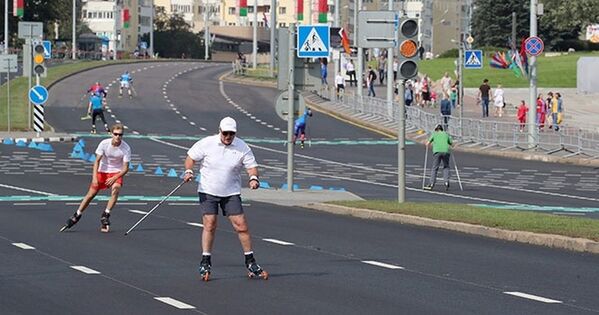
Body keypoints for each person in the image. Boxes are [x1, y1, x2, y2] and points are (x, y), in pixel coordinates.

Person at [183, 117, 267, 281]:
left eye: (232, 133)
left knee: (241, 226)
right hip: (208, 191)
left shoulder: (242, 147)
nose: (228, 136)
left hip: (231, 192)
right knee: (210, 224)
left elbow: (252, 167)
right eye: (226, 133)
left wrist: (253, 178)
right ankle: (205, 261)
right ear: (220, 130)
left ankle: (251, 262)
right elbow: (190, 157)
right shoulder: (207, 143)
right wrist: (188, 171)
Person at [61, 124, 131, 233]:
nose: (118, 137)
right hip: (102, 170)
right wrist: (94, 177)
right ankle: (77, 215)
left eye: (120, 135)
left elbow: (126, 168)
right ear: (111, 134)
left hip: (116, 172)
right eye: (116, 134)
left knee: (116, 189)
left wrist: (115, 177)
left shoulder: (126, 148)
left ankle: (106, 215)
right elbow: (97, 161)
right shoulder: (104, 144)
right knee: (91, 194)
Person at [423, 124, 453, 191]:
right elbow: (451, 143)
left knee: (435, 168)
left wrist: (427, 144)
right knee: (446, 166)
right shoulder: (446, 134)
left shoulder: (434, 134)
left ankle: (431, 183)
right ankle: (446, 182)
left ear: (436, 129)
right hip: (446, 151)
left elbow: (428, 143)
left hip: (437, 152)